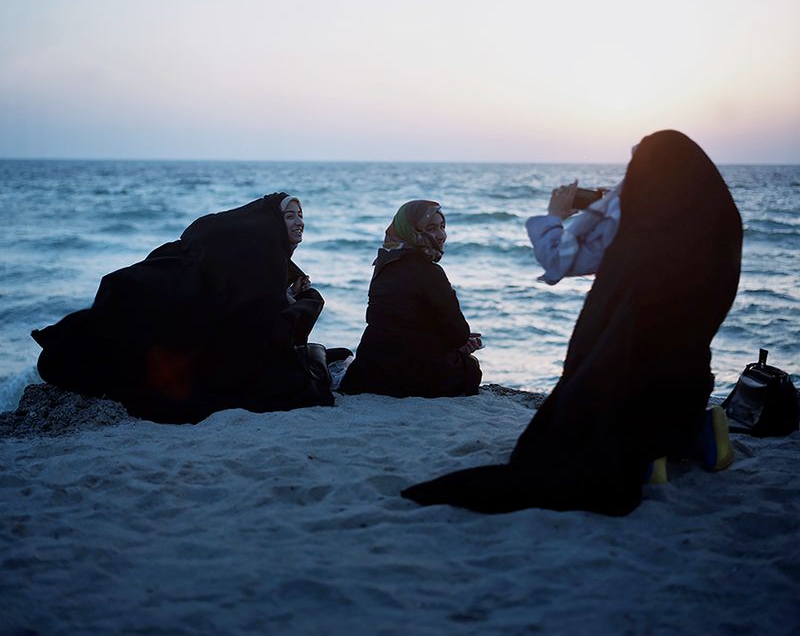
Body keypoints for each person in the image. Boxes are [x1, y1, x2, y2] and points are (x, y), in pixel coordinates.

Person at [402, 130, 742, 516]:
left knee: (601, 407)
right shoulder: (719, 222)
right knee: (671, 380)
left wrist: (558, 216)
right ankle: (700, 432)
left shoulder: (632, 221)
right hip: (689, 372)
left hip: (632, 362)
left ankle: (648, 458)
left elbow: (560, 260)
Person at [31, 193, 335, 424]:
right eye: (290, 216)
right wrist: (288, 300)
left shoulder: (262, 257)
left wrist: (285, 295)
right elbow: (249, 313)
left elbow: (247, 300)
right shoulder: (254, 258)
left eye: (301, 215)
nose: (299, 222)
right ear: (268, 224)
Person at [339, 200, 482, 398]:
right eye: (431, 228)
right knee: (471, 368)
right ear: (411, 229)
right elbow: (457, 334)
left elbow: (400, 325)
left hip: (372, 370)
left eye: (442, 227)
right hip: (413, 375)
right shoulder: (431, 273)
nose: (441, 235)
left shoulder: (383, 264)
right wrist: (462, 344)